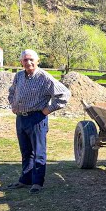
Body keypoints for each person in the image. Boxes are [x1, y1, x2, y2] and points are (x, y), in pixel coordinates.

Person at [7, 49, 71, 194]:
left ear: (37, 61)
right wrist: (13, 104)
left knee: (38, 152)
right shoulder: (18, 76)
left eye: (31, 60)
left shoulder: (44, 77)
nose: (28, 62)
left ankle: (37, 182)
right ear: (21, 62)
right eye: (25, 60)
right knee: (26, 151)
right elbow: (12, 91)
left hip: (37, 118)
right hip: (21, 118)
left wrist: (48, 109)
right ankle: (25, 180)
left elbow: (65, 94)